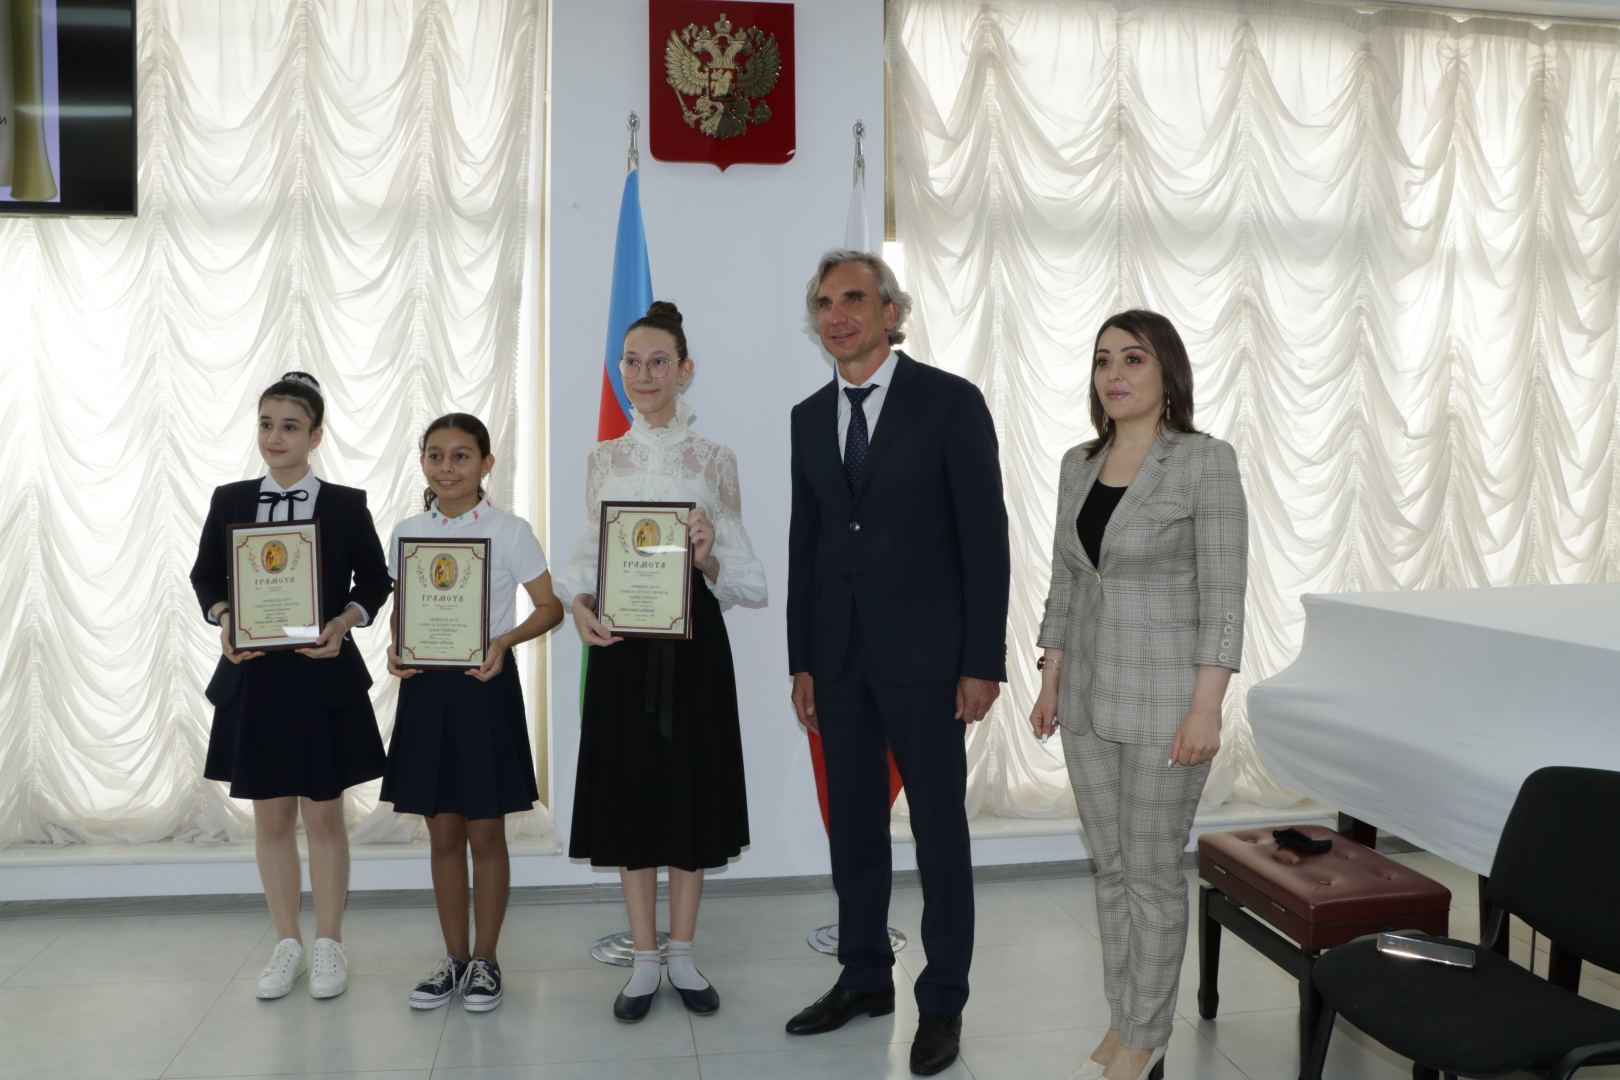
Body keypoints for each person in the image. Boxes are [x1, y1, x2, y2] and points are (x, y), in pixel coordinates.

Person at [785, 251, 1010, 1076]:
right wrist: (803, 661)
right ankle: (863, 977)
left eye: (853, 299)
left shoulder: (950, 402)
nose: (837, 315)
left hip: (930, 663)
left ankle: (942, 1001)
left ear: (890, 311)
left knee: (940, 835)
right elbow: (807, 544)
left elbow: (985, 539)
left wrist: (981, 661)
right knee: (853, 829)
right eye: (823, 304)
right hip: (839, 663)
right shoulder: (810, 415)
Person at [1029, 310, 1247, 1080]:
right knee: (1112, 870)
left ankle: (1146, 1037)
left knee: (1151, 878)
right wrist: (1051, 679)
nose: (1114, 374)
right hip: (1087, 700)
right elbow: (1065, 581)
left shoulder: (1203, 462)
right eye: (1102, 361)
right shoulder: (1078, 463)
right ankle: (1125, 1020)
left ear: (1167, 373)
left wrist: (1206, 708)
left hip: (1166, 707)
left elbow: (1224, 597)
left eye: (1133, 359)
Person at [562, 300, 766, 1022]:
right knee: (630, 797)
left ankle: (683, 952)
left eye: (658, 362)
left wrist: (707, 559)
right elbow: (585, 560)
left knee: (689, 797)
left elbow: (748, 581)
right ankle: (643, 958)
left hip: (693, 649)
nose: (643, 375)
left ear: (685, 370)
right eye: (632, 362)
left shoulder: (714, 459)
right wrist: (579, 605)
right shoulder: (602, 459)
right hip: (621, 649)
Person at [189, 371, 391, 1001]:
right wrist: (225, 616)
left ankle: (329, 942)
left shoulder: (345, 504)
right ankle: (287, 944)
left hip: (321, 677)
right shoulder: (229, 500)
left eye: (290, 426)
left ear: (316, 435)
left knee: (324, 814)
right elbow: (206, 577)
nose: (275, 437)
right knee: (271, 815)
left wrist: (343, 623)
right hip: (255, 679)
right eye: (266, 424)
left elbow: (375, 582)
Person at [382, 412, 564, 1013]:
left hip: (484, 688)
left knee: (485, 831)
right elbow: (403, 607)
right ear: (422, 462)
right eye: (435, 455)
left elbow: (550, 607)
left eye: (461, 456)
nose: (447, 467)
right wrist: (396, 646)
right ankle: (453, 960)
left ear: (486, 463)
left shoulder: (510, 531)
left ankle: (486, 959)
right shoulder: (407, 531)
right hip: (426, 691)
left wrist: (503, 643)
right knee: (441, 832)